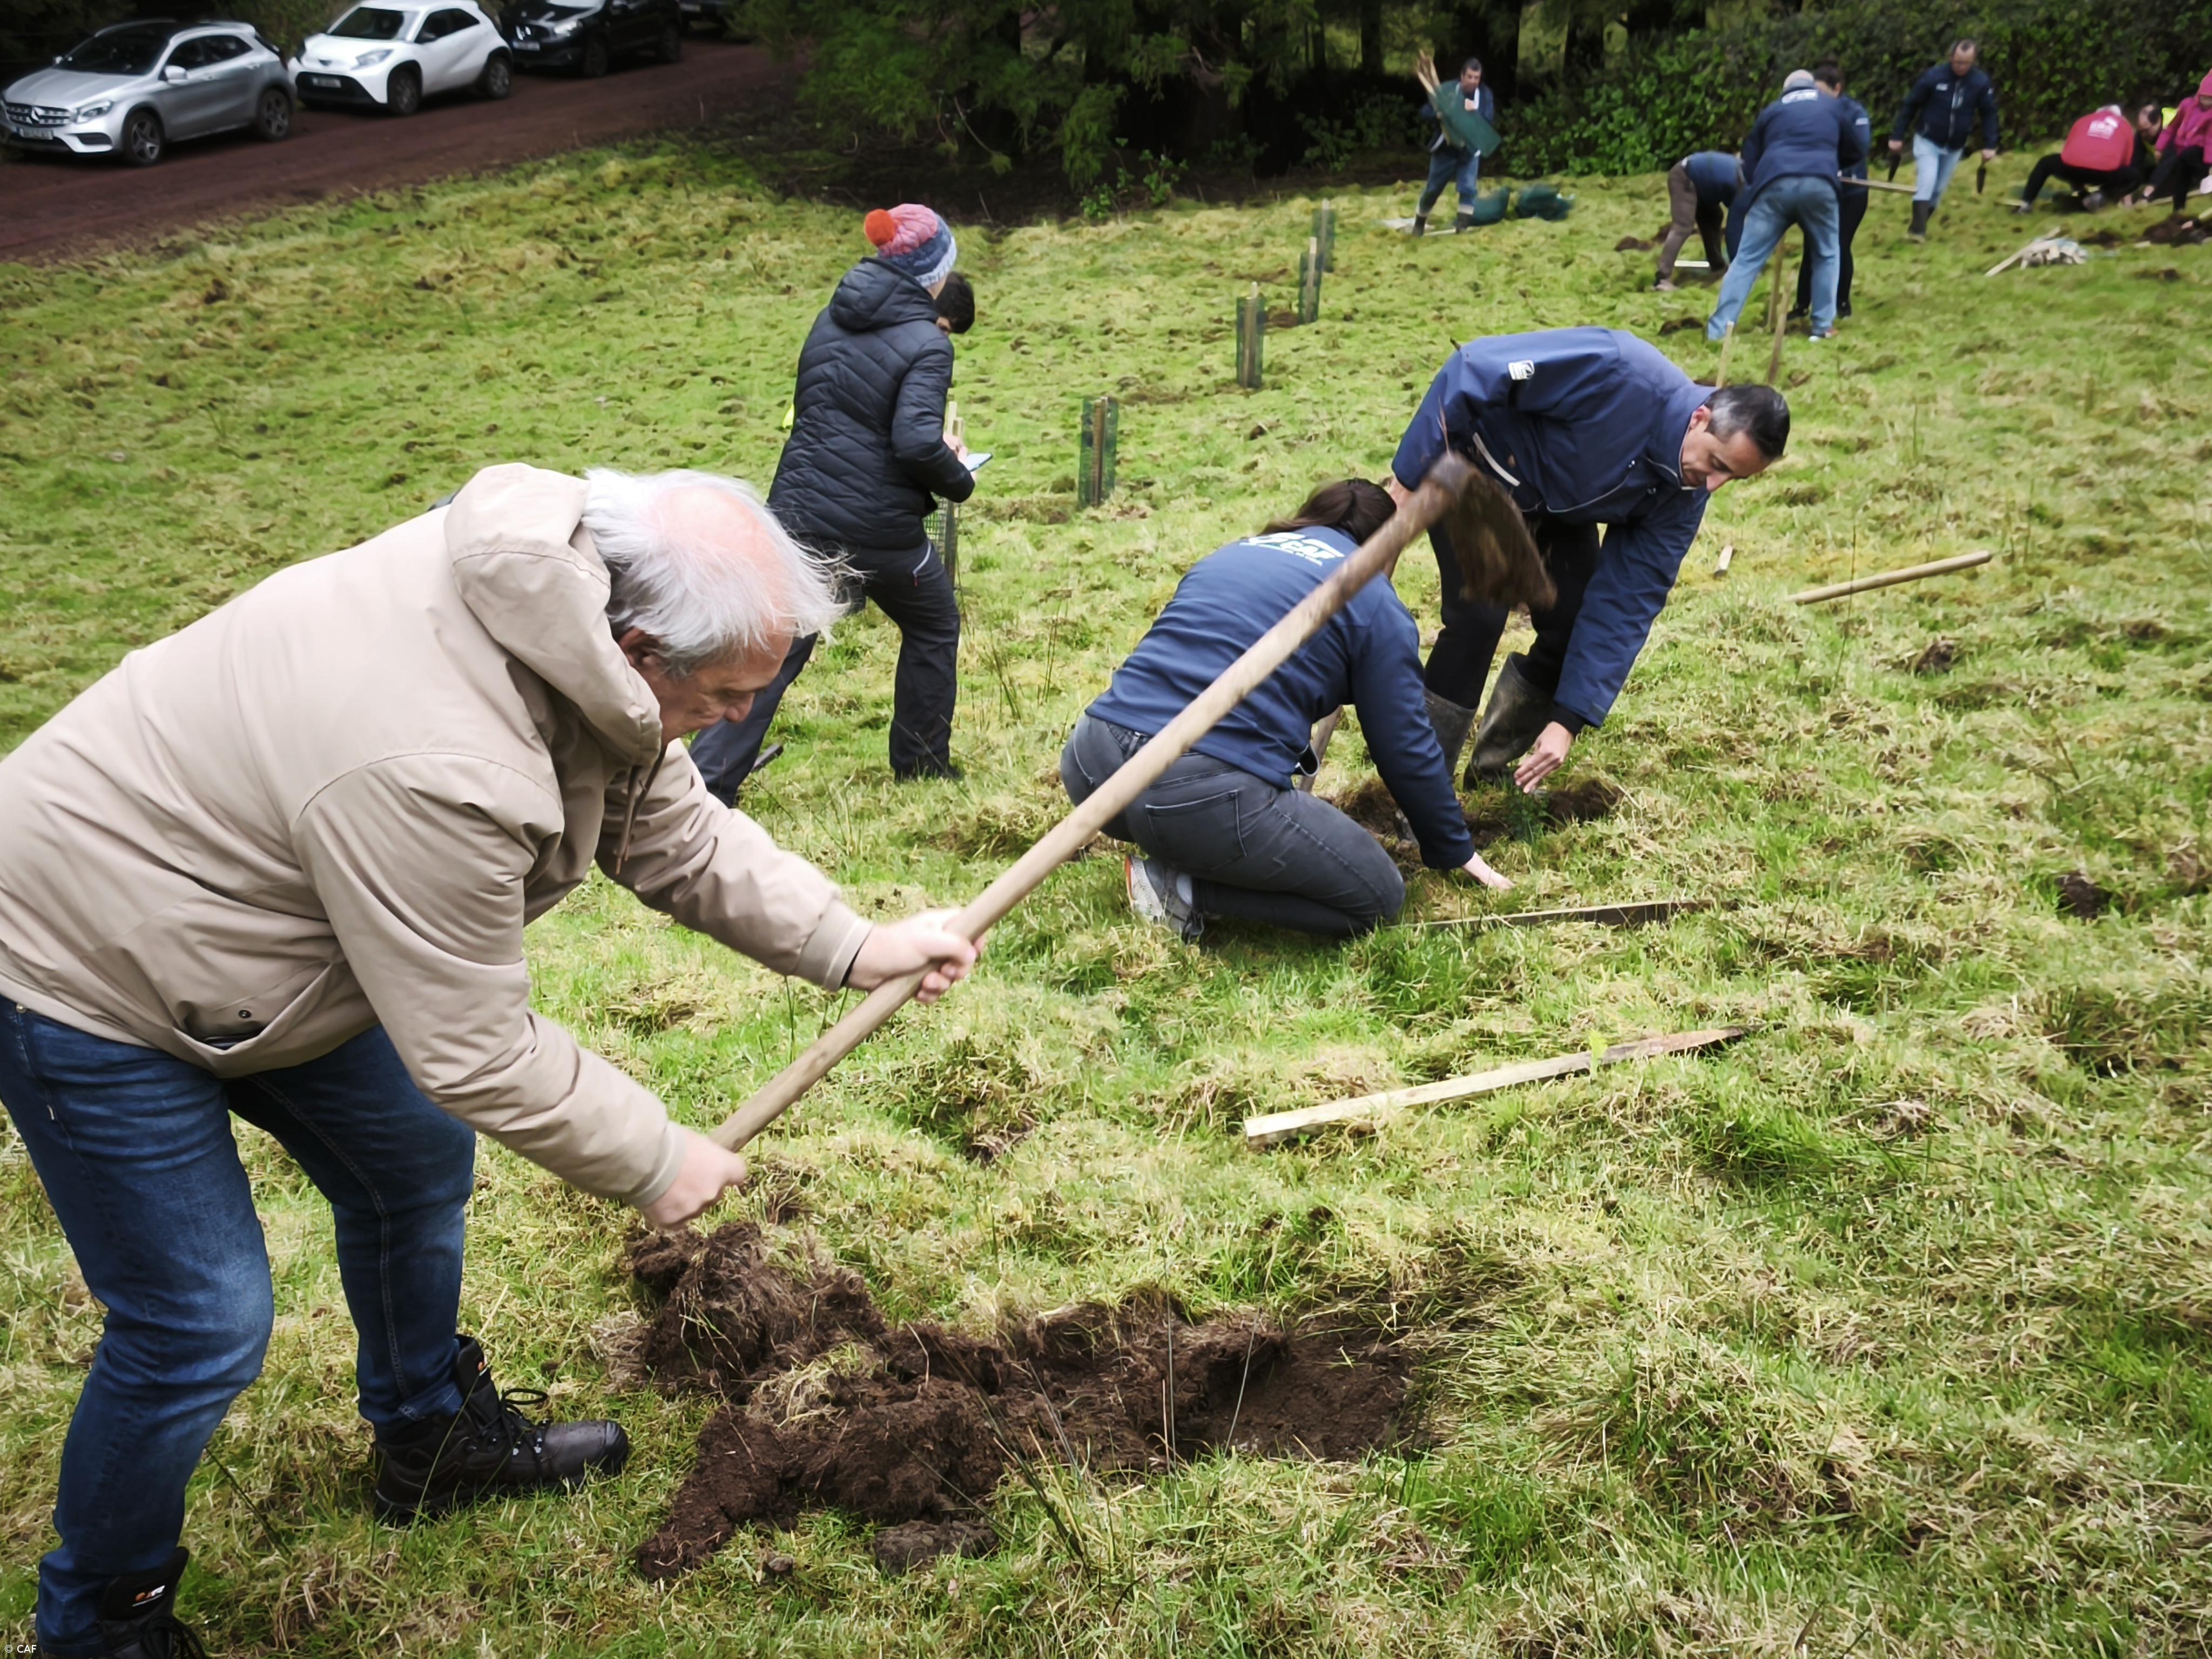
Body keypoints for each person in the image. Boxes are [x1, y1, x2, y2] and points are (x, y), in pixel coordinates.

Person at [0, 464, 979, 1658]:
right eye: (725, 698)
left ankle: (427, 1441)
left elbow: (663, 822)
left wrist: (855, 944)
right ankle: (102, 1617)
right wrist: (651, 1156)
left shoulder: (566, 628)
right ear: (635, 648)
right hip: (80, 954)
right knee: (200, 1319)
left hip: (264, 926)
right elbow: (470, 1044)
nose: (739, 721)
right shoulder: (436, 755)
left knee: (411, 1164)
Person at [1062, 481, 1512, 941]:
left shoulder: (1235, 552)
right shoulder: (1372, 597)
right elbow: (1405, 745)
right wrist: (1452, 847)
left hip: (1095, 763)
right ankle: (1180, 888)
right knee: (1378, 895)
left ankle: (1177, 838)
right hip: (1197, 787)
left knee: (1180, 808)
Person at [1388, 329, 1789, 791]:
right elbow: (1475, 367)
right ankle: (1417, 792)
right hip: (1479, 468)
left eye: (1732, 478)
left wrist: (1568, 720)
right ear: (1701, 418)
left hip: (1555, 504)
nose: (1713, 485)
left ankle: (1496, 773)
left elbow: (1628, 600)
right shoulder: (1618, 369)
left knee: (1573, 625)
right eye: (1717, 464)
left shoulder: (1684, 492)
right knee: (1482, 615)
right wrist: (1410, 474)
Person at [691, 204, 975, 801]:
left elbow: (835, 414)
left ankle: (705, 784)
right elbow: (915, 442)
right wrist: (958, 478)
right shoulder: (928, 342)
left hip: (798, 510)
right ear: (934, 275)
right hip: (876, 525)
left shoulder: (831, 317)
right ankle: (922, 765)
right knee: (933, 622)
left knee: (780, 648)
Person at [1705, 69, 1865, 342]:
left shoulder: (1772, 111)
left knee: (1746, 259)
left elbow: (1749, 160)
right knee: (1827, 253)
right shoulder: (1832, 105)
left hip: (1774, 185)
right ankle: (1822, 327)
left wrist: (1762, 182)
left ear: (1786, 89)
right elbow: (1856, 148)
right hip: (1819, 184)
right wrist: (1832, 163)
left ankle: (1718, 331)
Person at [1889, 39, 1999, 240]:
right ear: (1951, 57)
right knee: (1927, 182)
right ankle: (1917, 232)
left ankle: (1920, 223)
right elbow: (1911, 105)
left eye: (1965, 63)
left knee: (1938, 191)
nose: (1960, 67)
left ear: (1973, 61)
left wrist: (1990, 144)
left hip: (1955, 145)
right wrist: (1897, 136)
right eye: (1957, 62)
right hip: (1928, 140)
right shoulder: (1934, 77)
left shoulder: (1980, 83)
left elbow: (1989, 113)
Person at [1793, 62, 1872, 319]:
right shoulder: (1813, 111)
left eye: (1822, 90)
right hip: (1819, 188)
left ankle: (1841, 303)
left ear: (1837, 89)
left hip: (1851, 192)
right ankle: (1802, 305)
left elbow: (1860, 148)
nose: (1817, 96)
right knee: (1811, 244)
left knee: (1839, 244)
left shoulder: (1854, 112)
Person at [2017, 104, 2162, 212]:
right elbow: (2127, 163)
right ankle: (2102, 196)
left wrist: (2080, 188)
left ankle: (2026, 204)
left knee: (2045, 163)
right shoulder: (2124, 127)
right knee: (2135, 176)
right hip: (2104, 174)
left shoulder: (2083, 120)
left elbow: (2069, 153)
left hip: (2073, 168)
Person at [1411, 53, 1497, 235]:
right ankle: (1419, 223)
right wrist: (1438, 115)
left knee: (1468, 187)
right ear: (1462, 76)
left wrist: (1473, 113)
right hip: (1446, 149)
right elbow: (1425, 112)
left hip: (1470, 149)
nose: (1473, 81)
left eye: (1477, 78)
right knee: (1433, 190)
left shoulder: (1485, 95)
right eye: (1470, 77)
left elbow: (1488, 120)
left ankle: (1462, 227)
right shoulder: (1448, 90)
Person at [1655, 150, 1739, 290]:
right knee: (1683, 226)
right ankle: (1662, 278)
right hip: (1684, 177)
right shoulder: (1743, 185)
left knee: (1714, 217)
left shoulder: (1747, 178)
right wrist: (1740, 268)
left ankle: (1718, 266)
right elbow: (1734, 229)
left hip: (1704, 186)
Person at [2139, 72, 2212, 211]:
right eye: (2205, 98)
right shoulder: (2187, 106)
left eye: (2211, 99)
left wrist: (2210, 165)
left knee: (2188, 157)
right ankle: (2178, 210)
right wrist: (2160, 147)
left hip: (2199, 152)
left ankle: (2207, 176)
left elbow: (2210, 140)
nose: (2207, 102)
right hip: (2182, 150)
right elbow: (2172, 128)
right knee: (2182, 177)